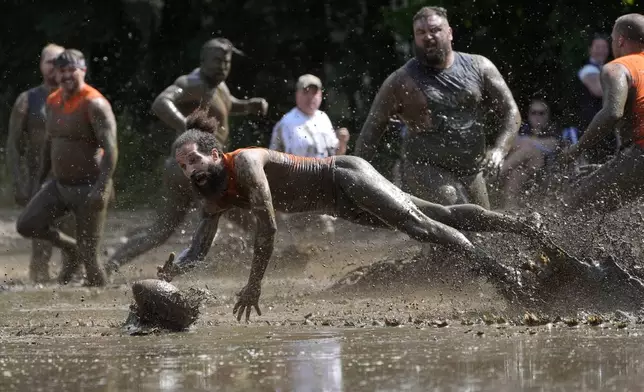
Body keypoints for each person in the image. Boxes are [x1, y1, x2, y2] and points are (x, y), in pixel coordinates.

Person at [157, 108, 552, 322]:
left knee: (422, 225)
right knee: (438, 212)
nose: (191, 170)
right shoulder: (211, 194)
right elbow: (198, 248)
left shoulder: (244, 163)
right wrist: (177, 271)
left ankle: (503, 274)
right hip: (339, 204)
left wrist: (254, 285)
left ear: (213, 154)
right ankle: (522, 227)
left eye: (194, 160)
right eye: (184, 167)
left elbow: (269, 225)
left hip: (344, 176)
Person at [105, 38, 268, 275]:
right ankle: (267, 262)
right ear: (203, 61)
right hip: (192, 169)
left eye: (226, 62)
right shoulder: (192, 82)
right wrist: (187, 127)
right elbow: (162, 102)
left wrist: (249, 105)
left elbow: (227, 105)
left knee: (161, 231)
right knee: (241, 214)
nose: (222, 67)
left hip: (184, 168)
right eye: (217, 62)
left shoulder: (218, 86)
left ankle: (111, 264)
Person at [354, 6, 521, 209]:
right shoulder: (401, 81)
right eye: (421, 33)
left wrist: (499, 150)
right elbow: (371, 130)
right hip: (424, 168)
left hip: (471, 169)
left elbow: (511, 111)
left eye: (434, 30)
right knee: (457, 212)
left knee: (483, 227)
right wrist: (358, 180)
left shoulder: (479, 66)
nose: (428, 37)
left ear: (449, 33)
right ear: (414, 38)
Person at [15, 49, 118, 287]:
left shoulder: (95, 103)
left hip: (89, 186)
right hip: (59, 185)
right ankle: (72, 249)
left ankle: (102, 309)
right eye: (62, 71)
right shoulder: (52, 102)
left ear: (83, 70)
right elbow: (50, 143)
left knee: (92, 262)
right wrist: (40, 181)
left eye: (72, 70)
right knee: (27, 224)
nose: (67, 75)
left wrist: (102, 188)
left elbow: (111, 149)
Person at [6, 43, 78, 283]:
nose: (55, 66)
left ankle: (72, 279)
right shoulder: (27, 100)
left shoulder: (79, 97)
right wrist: (19, 181)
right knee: (41, 235)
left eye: (60, 61)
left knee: (73, 228)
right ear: (41, 65)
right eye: (50, 61)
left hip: (70, 175)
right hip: (39, 177)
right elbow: (13, 146)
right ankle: (39, 281)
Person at [561, 14, 644, 214]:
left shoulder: (617, 67)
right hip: (634, 153)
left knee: (572, 206)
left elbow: (612, 113)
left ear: (620, 40)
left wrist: (577, 149)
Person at [269, 73, 350, 235]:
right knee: (297, 238)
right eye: (306, 92)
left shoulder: (323, 118)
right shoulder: (286, 123)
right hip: (297, 190)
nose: (310, 97)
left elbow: (337, 154)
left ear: (320, 95)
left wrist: (342, 142)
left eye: (315, 93)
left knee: (326, 235)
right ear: (297, 94)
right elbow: (272, 160)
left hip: (324, 189)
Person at [500, 99, 561, 208]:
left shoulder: (553, 130)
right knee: (516, 172)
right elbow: (509, 144)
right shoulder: (524, 128)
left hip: (543, 171)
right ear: (528, 114)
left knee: (529, 149)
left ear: (548, 115)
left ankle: (498, 172)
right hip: (522, 168)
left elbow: (553, 145)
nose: (537, 116)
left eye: (541, 113)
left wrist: (526, 142)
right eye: (534, 112)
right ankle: (509, 208)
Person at [576, 34, 619, 164]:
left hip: (604, 128)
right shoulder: (588, 69)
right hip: (590, 127)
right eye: (597, 47)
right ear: (590, 50)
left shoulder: (607, 68)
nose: (601, 50)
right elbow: (598, 90)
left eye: (604, 47)